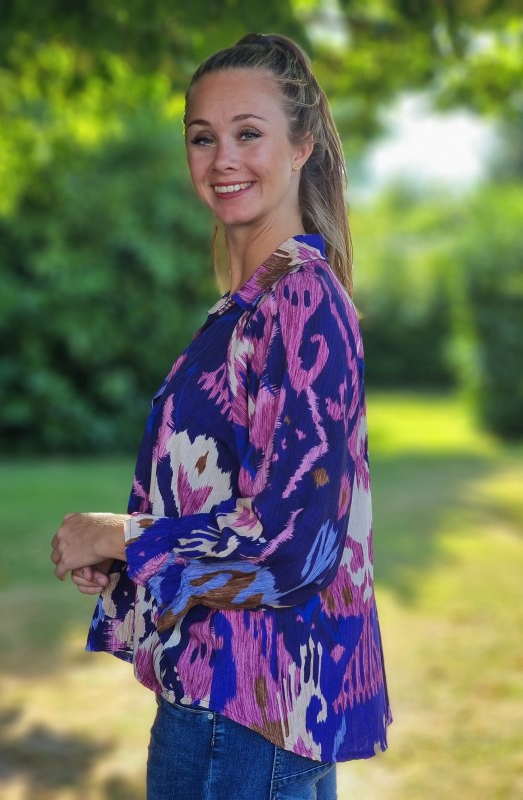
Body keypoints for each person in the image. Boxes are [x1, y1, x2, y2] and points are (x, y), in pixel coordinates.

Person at [50, 32, 391, 800]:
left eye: (248, 133)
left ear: (302, 145)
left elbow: (293, 547)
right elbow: (240, 503)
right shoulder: (251, 306)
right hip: (243, 713)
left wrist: (122, 535)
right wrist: (141, 557)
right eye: (203, 137)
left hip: (241, 718)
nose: (222, 158)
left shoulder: (299, 302)